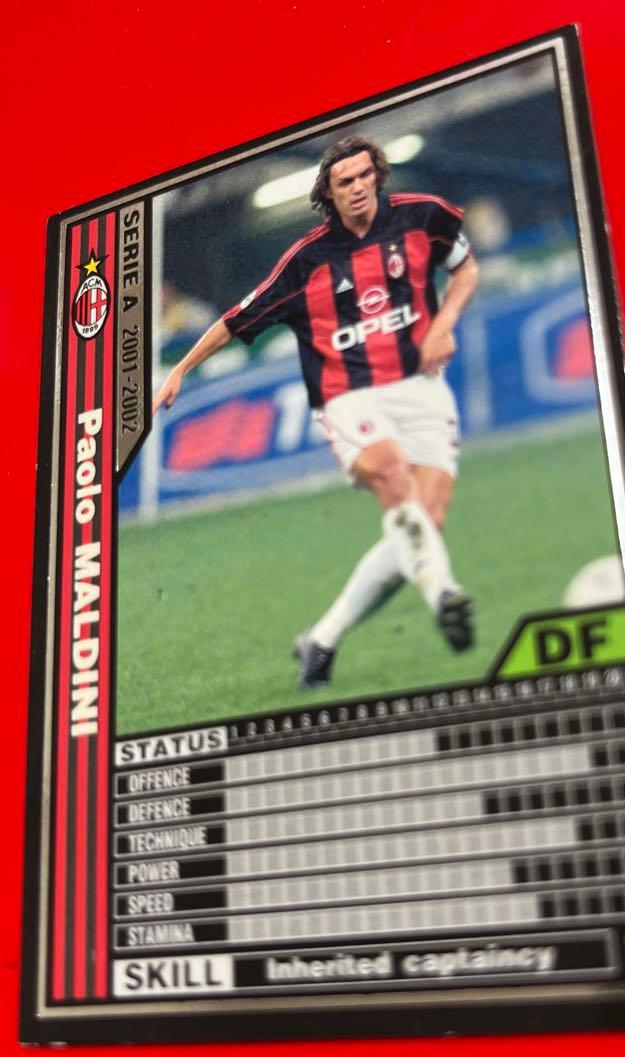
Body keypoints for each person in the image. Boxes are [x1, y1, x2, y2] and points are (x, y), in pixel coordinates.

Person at [153, 134, 480, 689]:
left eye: (364, 175)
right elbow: (235, 319)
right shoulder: (306, 261)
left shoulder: (423, 217)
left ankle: (323, 639)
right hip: (348, 396)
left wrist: (443, 325)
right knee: (393, 478)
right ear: (329, 193)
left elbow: (465, 270)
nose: (357, 188)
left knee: (424, 524)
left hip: (422, 387)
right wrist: (181, 367)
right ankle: (444, 594)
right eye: (344, 182)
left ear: (378, 175)